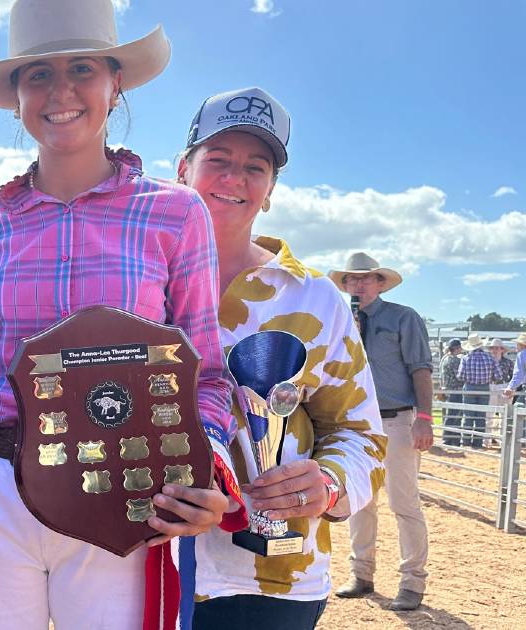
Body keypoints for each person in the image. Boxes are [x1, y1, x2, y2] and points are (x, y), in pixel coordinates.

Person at [0, 2, 245, 628]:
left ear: (115, 85)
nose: (60, 91)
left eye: (82, 68)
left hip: (124, 482)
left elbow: (208, 373)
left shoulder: (175, 215)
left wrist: (209, 468)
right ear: (16, 96)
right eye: (37, 74)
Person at [173, 87, 385, 629]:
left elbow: (361, 434)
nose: (235, 178)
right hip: (137, 564)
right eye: (217, 160)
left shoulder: (315, 297)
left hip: (271, 579)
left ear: (269, 191)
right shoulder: (132, 281)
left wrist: (329, 485)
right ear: (182, 169)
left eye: (256, 167)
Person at [329, 252, 433, 611]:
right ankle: (361, 573)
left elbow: (421, 369)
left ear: (379, 282)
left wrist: (425, 417)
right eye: (351, 279)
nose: (358, 284)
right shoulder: (339, 320)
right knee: (360, 501)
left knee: (405, 504)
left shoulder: (403, 318)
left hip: (397, 419)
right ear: (344, 286)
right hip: (358, 422)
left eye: (366, 278)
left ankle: (412, 582)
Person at [457, 333, 494, 449]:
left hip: (470, 388)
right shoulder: (489, 357)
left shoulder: (466, 358)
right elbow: (498, 375)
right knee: (481, 416)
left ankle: (466, 442)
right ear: (481, 345)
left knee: (468, 415)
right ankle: (478, 443)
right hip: (484, 388)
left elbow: (460, 376)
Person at [439, 338, 465, 446]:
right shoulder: (454, 360)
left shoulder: (445, 359)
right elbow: (459, 376)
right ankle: (449, 439)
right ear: (457, 348)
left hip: (448, 389)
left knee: (452, 414)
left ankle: (452, 439)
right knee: (454, 415)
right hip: (456, 390)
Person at [488, 338, 514, 430]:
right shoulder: (487, 361)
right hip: (491, 386)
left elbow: (513, 376)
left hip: (504, 386)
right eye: (492, 348)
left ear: (502, 349)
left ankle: (502, 439)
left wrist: (512, 389)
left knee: (505, 413)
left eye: (497, 348)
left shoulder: (508, 362)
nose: (494, 350)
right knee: (489, 414)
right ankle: (486, 440)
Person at [503, 332, 526, 405]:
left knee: (518, 408)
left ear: (522, 345)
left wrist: (510, 387)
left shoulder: (522, 354)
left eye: (518, 344)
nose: (516, 347)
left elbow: (519, 374)